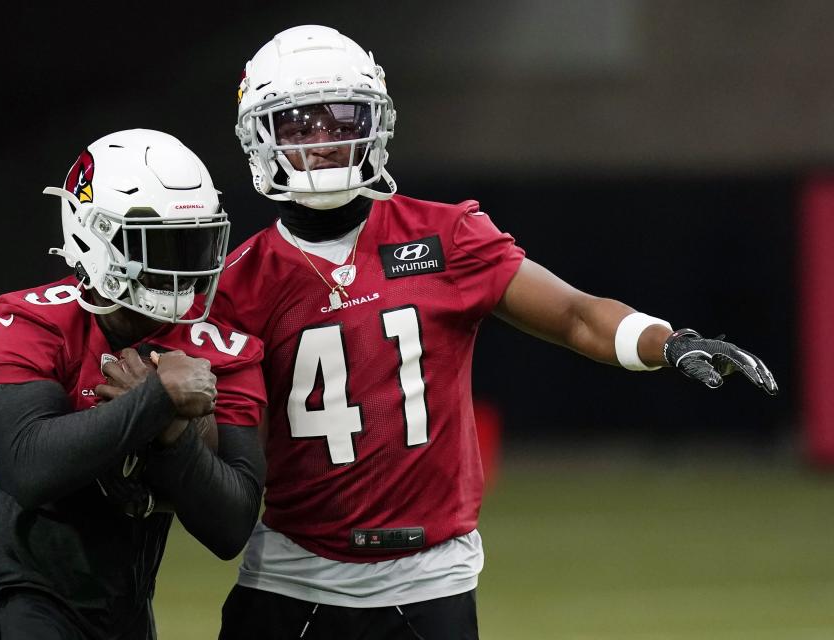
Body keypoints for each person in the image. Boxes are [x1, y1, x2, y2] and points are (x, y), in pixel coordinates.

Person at [209, 25, 778, 640]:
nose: (323, 143)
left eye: (341, 121)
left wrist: (669, 341)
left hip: (430, 580)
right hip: (292, 578)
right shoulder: (240, 284)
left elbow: (574, 314)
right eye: (299, 125)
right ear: (261, 138)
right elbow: (232, 461)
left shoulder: (444, 236)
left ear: (372, 125)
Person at [0, 129, 267, 639]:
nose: (182, 267)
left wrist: (172, 439)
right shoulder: (38, 320)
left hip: (128, 615)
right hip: (19, 602)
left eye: (193, 241)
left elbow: (231, 527)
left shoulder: (217, 348)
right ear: (92, 235)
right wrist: (157, 400)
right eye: (160, 243)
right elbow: (28, 467)